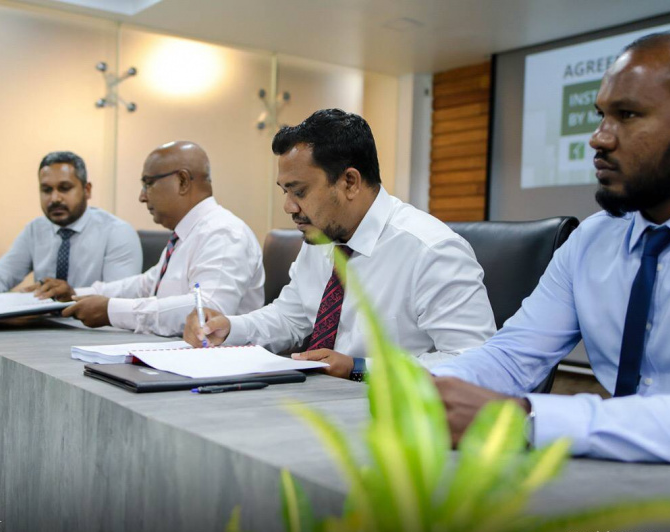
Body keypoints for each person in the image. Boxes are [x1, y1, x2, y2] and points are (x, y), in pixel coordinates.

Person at [432, 30, 670, 465]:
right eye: (601, 116)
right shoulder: (591, 241)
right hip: (617, 477)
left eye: (628, 115)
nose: (599, 138)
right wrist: (434, 386)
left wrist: (526, 418)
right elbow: (513, 358)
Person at [184, 109, 496, 379]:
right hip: (322, 403)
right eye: (285, 192)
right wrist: (229, 328)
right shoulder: (323, 236)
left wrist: (360, 368)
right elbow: (290, 317)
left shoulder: (431, 251)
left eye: (299, 192)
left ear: (350, 182)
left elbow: (474, 361)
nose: (289, 207)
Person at [40, 141, 264, 337]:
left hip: (218, 367)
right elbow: (145, 286)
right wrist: (76, 294)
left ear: (183, 181)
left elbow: (206, 310)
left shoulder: (223, 233)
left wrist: (111, 311)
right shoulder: (187, 234)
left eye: (148, 183)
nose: (142, 196)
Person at [0, 151, 142, 312]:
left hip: (96, 335)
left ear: (87, 190)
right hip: (43, 329)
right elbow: (4, 271)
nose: (55, 198)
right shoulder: (36, 229)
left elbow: (120, 298)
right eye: (46, 190)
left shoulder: (117, 232)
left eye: (65, 188)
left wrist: (73, 295)